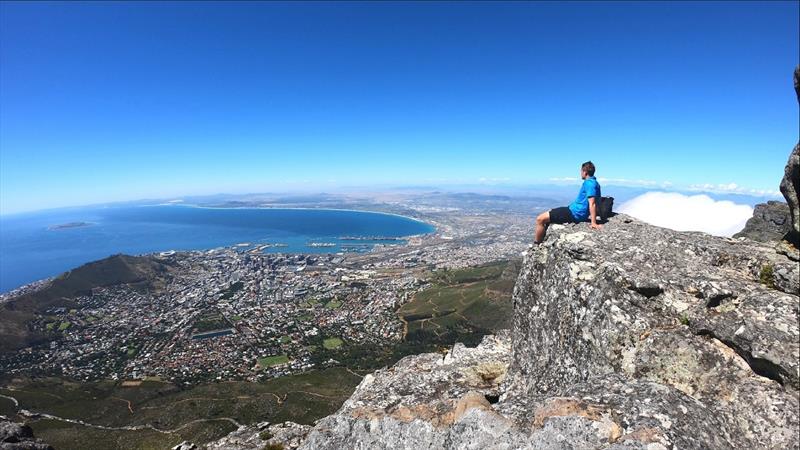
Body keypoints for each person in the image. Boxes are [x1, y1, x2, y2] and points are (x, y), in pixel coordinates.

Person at [534, 161, 602, 244]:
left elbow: (592, 203)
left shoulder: (590, 184)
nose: (580, 173)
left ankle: (537, 244)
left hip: (574, 213)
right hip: (572, 210)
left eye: (581, 171)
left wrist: (593, 223)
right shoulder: (593, 182)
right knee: (551, 211)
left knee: (540, 219)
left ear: (585, 172)